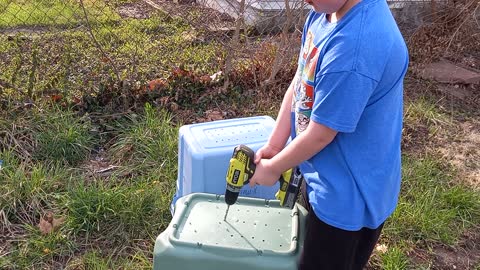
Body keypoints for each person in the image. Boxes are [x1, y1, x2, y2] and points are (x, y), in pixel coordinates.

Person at [248, 0, 409, 268]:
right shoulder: (325, 14)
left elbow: (321, 134)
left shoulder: (354, 49)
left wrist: (274, 168)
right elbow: (300, 80)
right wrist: (276, 145)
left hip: (348, 198)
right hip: (324, 176)